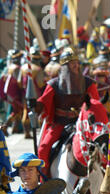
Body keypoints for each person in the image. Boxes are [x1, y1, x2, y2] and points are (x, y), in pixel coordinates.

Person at [36, 47, 100, 176]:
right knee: (43, 148)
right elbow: (43, 102)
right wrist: (34, 104)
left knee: (101, 146)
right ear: (65, 66)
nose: (76, 65)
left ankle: (105, 175)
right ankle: (43, 178)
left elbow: (95, 104)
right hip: (60, 123)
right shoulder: (54, 84)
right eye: (72, 63)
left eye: (77, 62)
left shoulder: (88, 83)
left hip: (83, 123)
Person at [0, 50, 24, 137]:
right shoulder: (16, 68)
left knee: (17, 111)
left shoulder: (10, 67)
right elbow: (18, 81)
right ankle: (5, 127)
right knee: (16, 111)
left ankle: (15, 128)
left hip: (10, 94)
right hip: (14, 94)